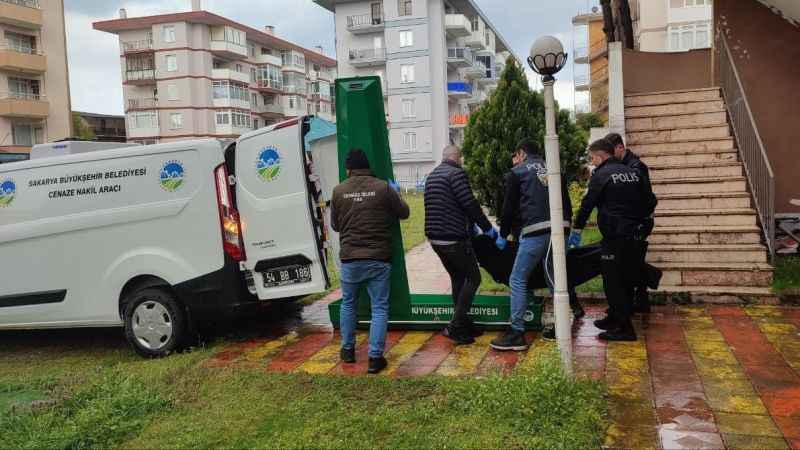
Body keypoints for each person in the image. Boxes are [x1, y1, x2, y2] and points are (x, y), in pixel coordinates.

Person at [331, 149, 410, 374]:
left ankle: (347, 351)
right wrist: (397, 193)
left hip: (350, 258)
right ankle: (375, 358)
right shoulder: (383, 188)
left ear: (348, 169)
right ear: (368, 167)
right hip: (378, 258)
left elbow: (335, 225)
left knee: (348, 303)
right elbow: (404, 213)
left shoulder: (338, 191)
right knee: (379, 307)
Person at [490, 138, 574, 351]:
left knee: (517, 279)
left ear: (521, 153)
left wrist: (503, 234)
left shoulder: (517, 173)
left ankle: (516, 333)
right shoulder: (554, 169)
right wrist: (570, 229)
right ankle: (562, 326)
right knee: (555, 279)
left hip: (536, 232)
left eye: (515, 155)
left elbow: (508, 208)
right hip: (561, 230)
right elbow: (566, 202)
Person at [569, 138, 656, 341]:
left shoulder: (601, 175)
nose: (592, 162)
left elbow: (588, 204)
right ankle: (615, 318)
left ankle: (625, 329)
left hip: (615, 235)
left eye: (592, 158)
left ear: (600, 156)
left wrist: (577, 229)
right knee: (625, 278)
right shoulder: (633, 173)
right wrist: (638, 220)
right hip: (635, 234)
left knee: (613, 281)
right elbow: (651, 201)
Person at [425, 145, 499, 345]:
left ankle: (464, 323)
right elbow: (469, 203)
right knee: (474, 278)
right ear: (457, 158)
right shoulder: (456, 174)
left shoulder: (432, 176)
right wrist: (487, 228)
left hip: (435, 239)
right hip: (453, 238)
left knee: (458, 277)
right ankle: (455, 325)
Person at [606, 132, 657, 314]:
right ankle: (638, 300)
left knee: (630, 262)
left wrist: (639, 220)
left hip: (638, 222)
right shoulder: (624, 166)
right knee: (632, 261)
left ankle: (633, 300)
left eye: (612, 152)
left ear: (620, 147)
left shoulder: (636, 167)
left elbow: (646, 197)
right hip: (631, 221)